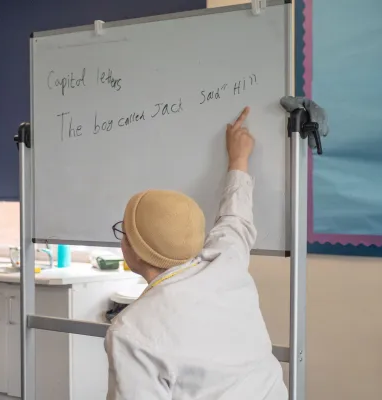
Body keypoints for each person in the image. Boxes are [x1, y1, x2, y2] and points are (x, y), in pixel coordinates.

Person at [106, 107, 287, 399]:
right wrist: (239, 159)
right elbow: (236, 219)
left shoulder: (132, 331)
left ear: (136, 250)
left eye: (123, 231)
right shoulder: (226, 263)